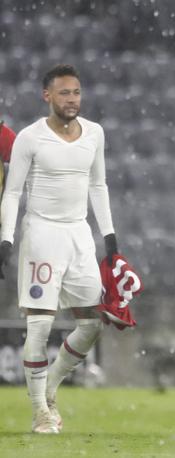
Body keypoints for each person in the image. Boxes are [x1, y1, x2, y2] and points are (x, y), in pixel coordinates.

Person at [0, 64, 119, 433]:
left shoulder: (95, 134)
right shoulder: (30, 138)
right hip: (41, 234)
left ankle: (50, 387)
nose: (72, 100)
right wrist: (6, 238)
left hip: (79, 235)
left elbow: (98, 185)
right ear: (47, 95)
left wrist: (109, 237)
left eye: (77, 92)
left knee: (92, 324)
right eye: (64, 93)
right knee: (39, 325)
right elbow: (14, 192)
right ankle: (39, 412)